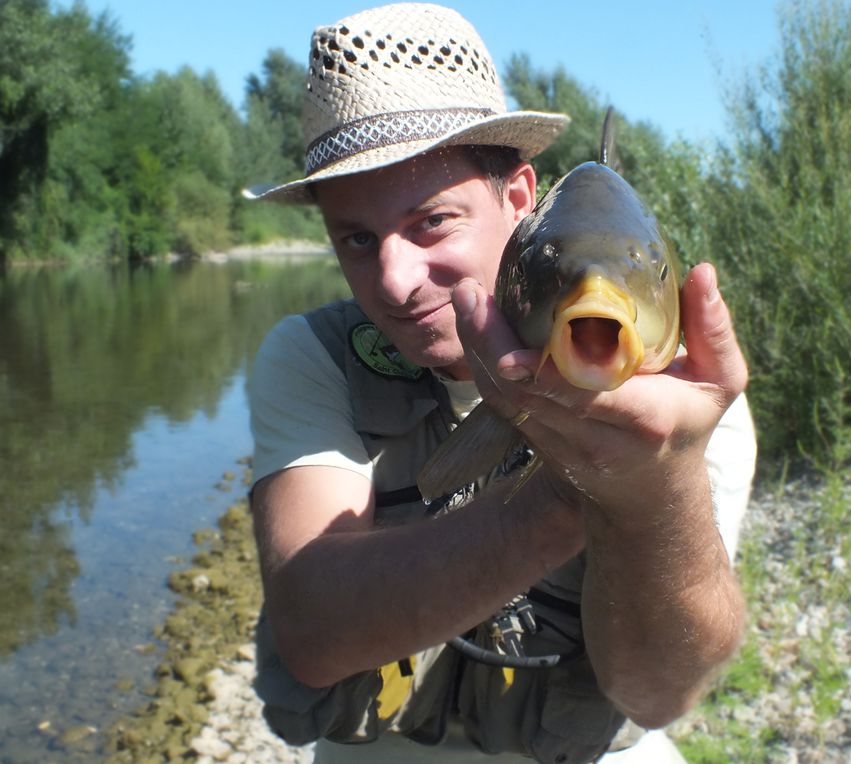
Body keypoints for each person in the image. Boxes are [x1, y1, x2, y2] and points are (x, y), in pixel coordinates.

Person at [244, 4, 757, 763]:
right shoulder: (311, 357)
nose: (394, 279)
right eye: (358, 238)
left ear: (519, 198)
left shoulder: (677, 396)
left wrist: (656, 488)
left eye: (431, 222)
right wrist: (566, 494)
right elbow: (313, 634)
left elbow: (655, 696)